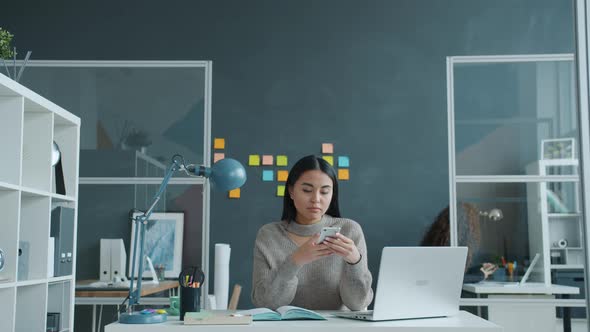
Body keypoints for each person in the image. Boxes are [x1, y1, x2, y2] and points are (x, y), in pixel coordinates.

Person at [251, 155, 374, 310]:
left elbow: (358, 304)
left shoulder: (349, 230)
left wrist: (355, 261)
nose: (316, 199)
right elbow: (264, 303)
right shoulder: (269, 235)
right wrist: (295, 260)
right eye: (307, 190)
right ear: (291, 191)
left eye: (324, 192)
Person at [421, 203, 498, 282]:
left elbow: (454, 273)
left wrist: (478, 269)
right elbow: (449, 279)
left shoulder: (437, 239)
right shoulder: (449, 244)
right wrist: (480, 275)